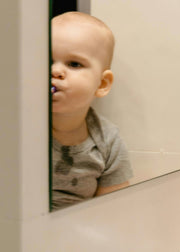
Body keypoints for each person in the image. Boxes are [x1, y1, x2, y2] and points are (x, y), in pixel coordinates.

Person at [50, 12, 133, 210]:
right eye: (47, 60)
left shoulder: (108, 142)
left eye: (74, 64)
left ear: (102, 84)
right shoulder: (15, 130)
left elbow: (114, 209)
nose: (55, 71)